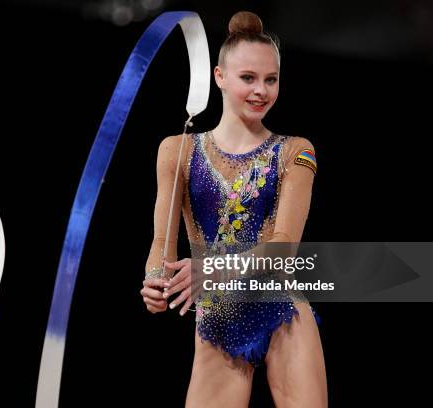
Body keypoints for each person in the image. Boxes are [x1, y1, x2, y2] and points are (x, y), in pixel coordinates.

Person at [139, 11, 327, 407]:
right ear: (220, 76)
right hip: (219, 315)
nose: (261, 90)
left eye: (271, 79)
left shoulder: (295, 151)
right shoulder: (179, 150)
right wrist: (156, 282)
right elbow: (162, 240)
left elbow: (284, 248)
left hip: (280, 307)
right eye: (248, 78)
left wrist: (211, 268)